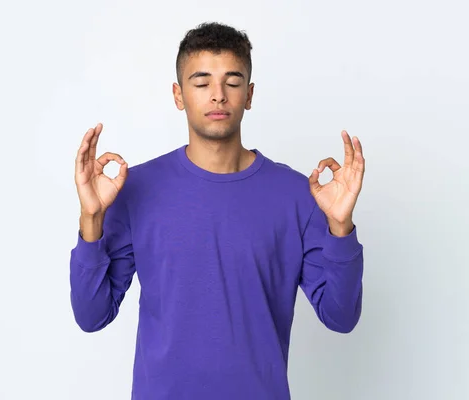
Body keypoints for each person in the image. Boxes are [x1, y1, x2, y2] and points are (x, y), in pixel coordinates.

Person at [70, 21, 365, 400]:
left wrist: (340, 226)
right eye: (201, 82)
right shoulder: (134, 190)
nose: (218, 96)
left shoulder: (297, 195)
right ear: (178, 95)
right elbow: (92, 315)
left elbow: (341, 318)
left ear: (249, 94)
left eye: (232, 81)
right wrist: (91, 218)